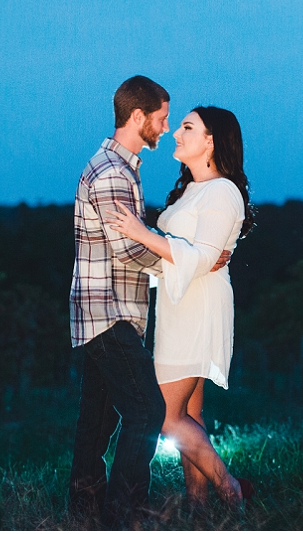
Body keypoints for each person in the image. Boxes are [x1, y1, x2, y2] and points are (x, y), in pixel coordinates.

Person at [67, 76, 228, 528]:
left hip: (107, 313)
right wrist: (189, 263)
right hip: (109, 313)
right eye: (161, 119)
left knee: (96, 423)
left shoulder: (121, 168)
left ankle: (82, 512)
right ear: (137, 117)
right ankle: (125, 515)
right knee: (147, 411)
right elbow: (130, 250)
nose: (166, 127)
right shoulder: (113, 173)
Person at [106, 106, 256, 508]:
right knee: (190, 414)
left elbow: (203, 258)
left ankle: (231, 490)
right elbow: (182, 255)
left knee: (166, 416)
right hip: (178, 305)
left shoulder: (223, 191)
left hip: (198, 308)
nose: (176, 133)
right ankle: (199, 508)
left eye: (188, 127)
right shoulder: (193, 188)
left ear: (211, 141)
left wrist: (142, 233)